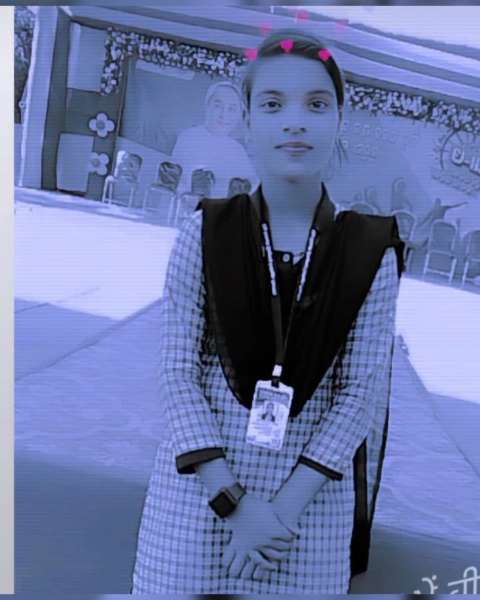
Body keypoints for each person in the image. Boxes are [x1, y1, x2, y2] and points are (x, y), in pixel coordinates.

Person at [132, 27, 405, 594]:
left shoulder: (369, 249)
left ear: (339, 119)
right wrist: (234, 503)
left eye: (316, 104)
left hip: (304, 518)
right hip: (199, 500)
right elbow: (177, 373)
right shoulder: (206, 231)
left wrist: (276, 515)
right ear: (249, 119)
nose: (295, 122)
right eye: (274, 104)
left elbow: (360, 395)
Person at [171, 80, 260, 198]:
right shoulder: (189, 137)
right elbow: (176, 182)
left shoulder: (237, 149)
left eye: (231, 109)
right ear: (207, 106)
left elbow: (252, 184)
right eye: (218, 106)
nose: (224, 115)